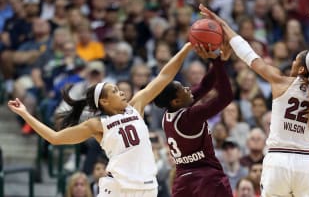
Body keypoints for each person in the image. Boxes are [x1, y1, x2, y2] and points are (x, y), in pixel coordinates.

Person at [199, 4, 309, 197]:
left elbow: (249, 55)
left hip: (278, 161)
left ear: (301, 69)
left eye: (296, 60)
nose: (292, 62)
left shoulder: (280, 81)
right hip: (307, 164)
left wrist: (224, 25)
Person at [8, 42, 193, 197]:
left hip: (147, 187)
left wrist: (186, 48)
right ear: (104, 101)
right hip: (117, 188)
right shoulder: (97, 124)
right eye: (114, 91)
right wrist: (25, 113)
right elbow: (55, 138)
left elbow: (164, 76)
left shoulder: (136, 107)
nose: (121, 92)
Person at [153, 42, 233, 197]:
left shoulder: (169, 115)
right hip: (207, 180)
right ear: (176, 101)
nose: (188, 89)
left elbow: (205, 85)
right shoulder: (189, 118)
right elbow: (226, 97)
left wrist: (220, 60)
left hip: (183, 183)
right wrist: (216, 60)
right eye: (183, 89)